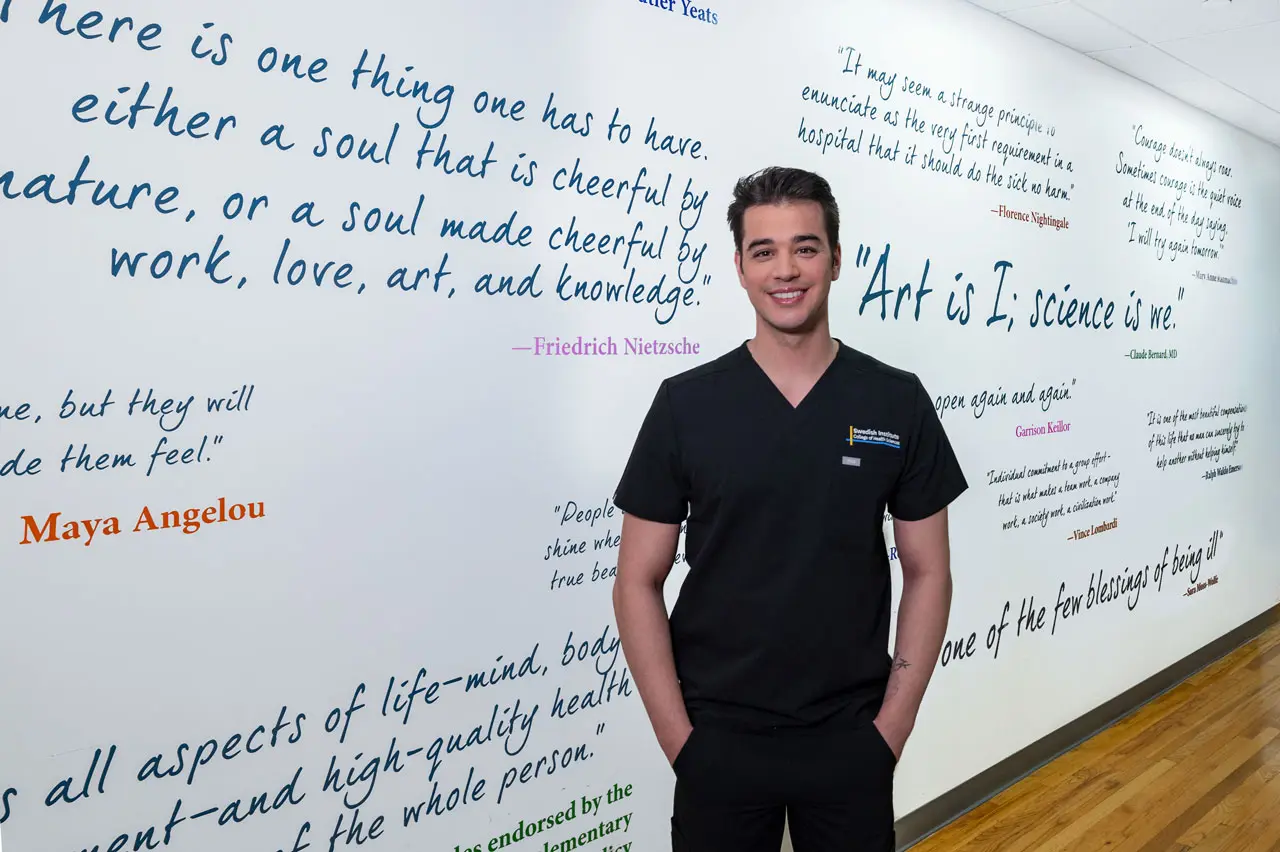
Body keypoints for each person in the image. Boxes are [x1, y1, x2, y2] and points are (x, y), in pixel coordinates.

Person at [610, 165, 968, 852]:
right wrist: (681, 743)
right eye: (763, 250)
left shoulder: (896, 400)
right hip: (718, 741)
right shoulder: (687, 405)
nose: (786, 269)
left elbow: (929, 572)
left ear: (836, 259)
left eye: (805, 247)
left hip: (849, 740)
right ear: (740, 268)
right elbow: (636, 579)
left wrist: (890, 729)